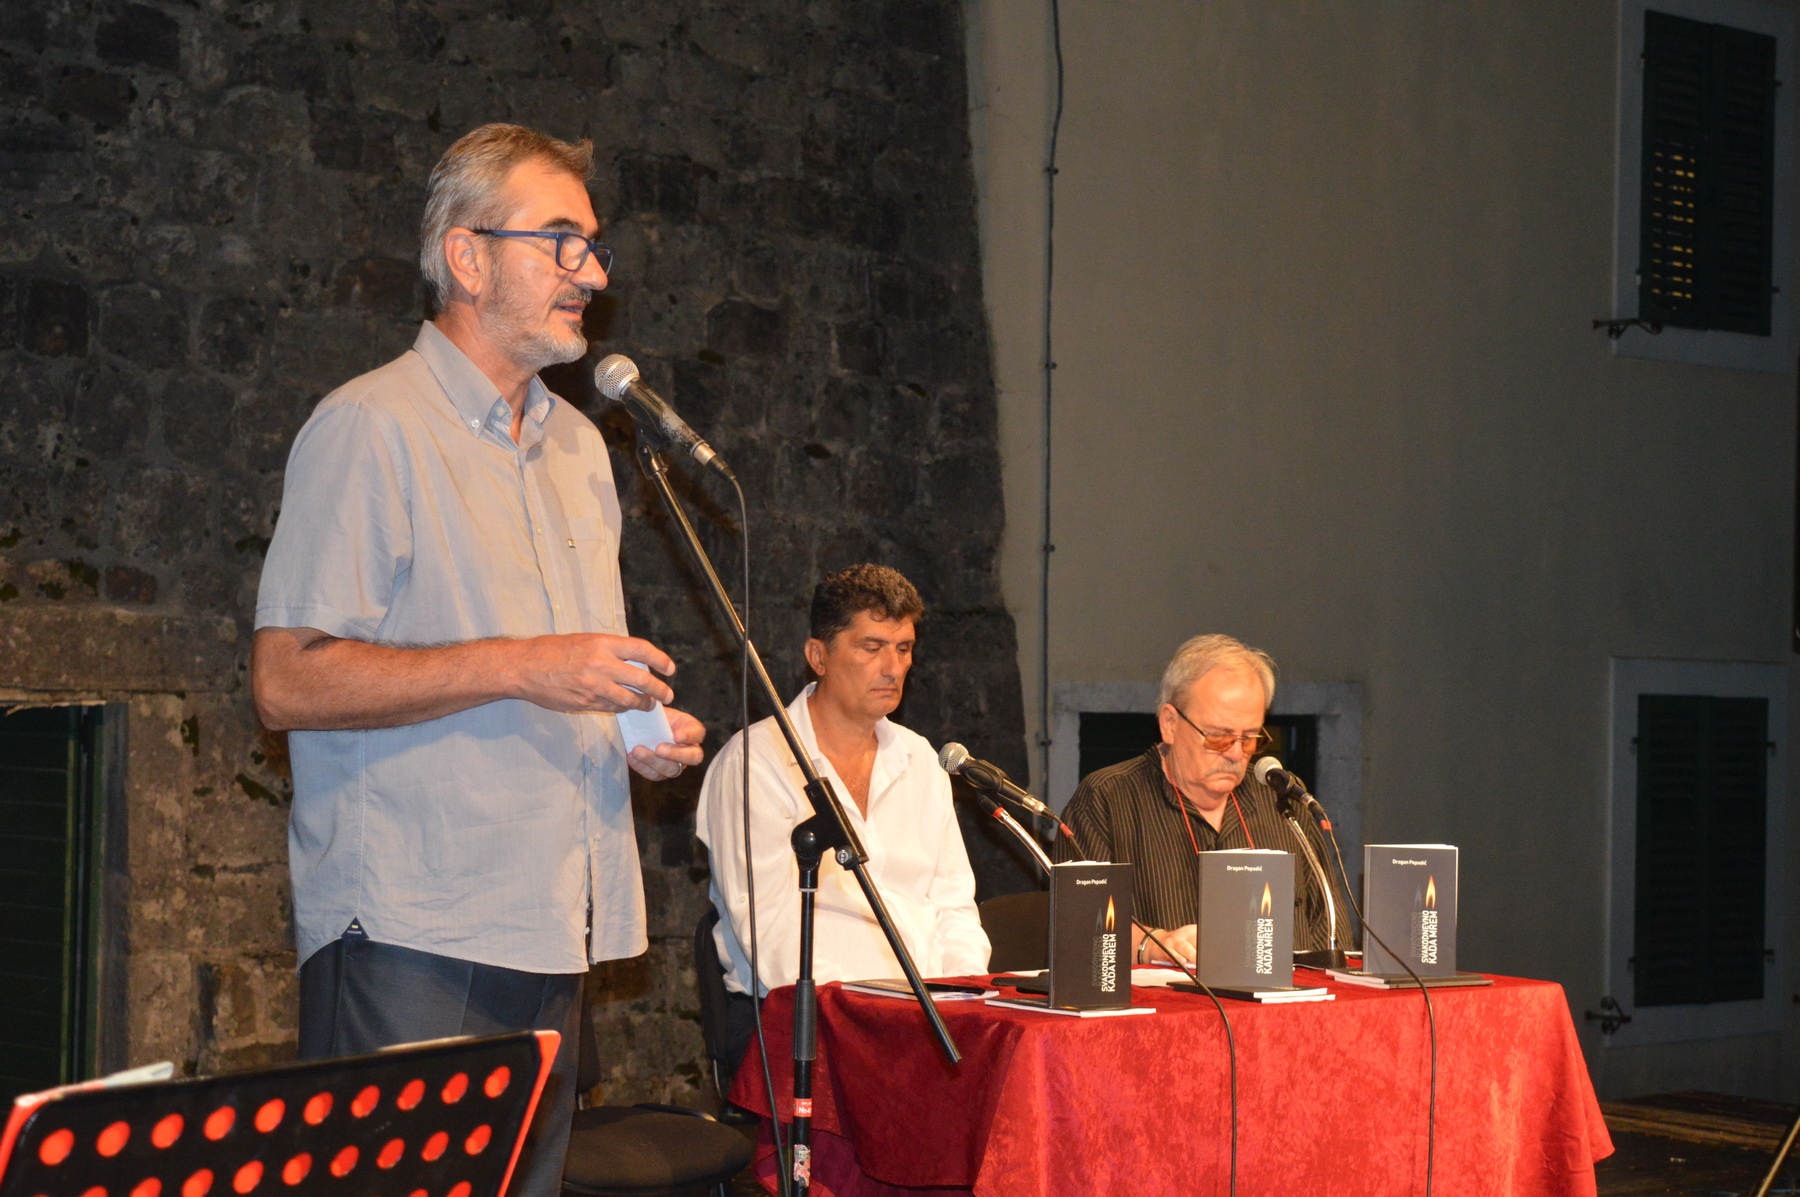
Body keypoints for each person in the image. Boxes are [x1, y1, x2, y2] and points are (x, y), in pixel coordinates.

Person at [250, 123, 705, 1197]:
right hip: (412, 931)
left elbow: (560, 671)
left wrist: (629, 729)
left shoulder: (581, 450)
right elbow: (286, 679)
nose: (592, 273)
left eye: (593, 246)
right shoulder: (370, 427)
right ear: (467, 256)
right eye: (561, 242)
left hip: (552, 922)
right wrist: (523, 665)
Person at [696, 565, 990, 1072]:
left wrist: (964, 1000)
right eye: (871, 647)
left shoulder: (920, 760)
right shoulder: (756, 763)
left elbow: (954, 906)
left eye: (904, 648)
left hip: (923, 1017)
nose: (893, 667)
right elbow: (771, 934)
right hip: (804, 1025)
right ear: (819, 656)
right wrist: (871, 1021)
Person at [1056, 634, 1350, 966]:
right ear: (1170, 724)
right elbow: (1077, 928)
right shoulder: (1106, 799)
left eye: (1249, 737)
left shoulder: (1282, 801)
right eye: (1219, 736)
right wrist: (1153, 944)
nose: (1236, 753)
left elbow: (1333, 935)